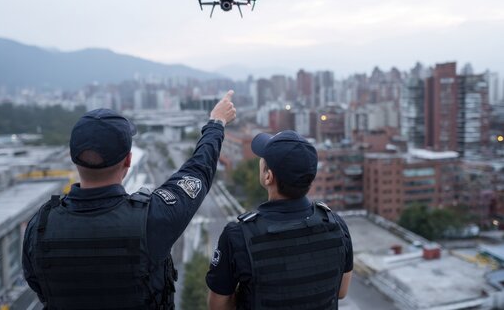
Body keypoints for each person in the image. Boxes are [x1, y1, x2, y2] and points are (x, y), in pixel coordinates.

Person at [22, 90, 236, 309]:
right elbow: (198, 171)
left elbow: (38, 284)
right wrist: (216, 123)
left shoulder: (40, 226)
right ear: (128, 160)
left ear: (73, 158)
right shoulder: (152, 219)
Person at [206, 130, 353, 310]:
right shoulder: (336, 225)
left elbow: (218, 306)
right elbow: (341, 291)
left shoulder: (238, 236)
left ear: (268, 176)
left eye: (263, 159)